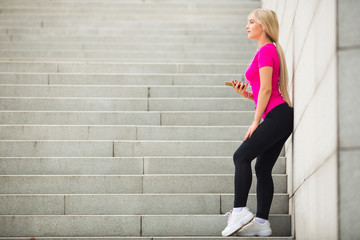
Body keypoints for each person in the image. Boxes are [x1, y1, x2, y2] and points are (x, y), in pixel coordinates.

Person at [221, 9, 294, 237]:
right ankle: (262, 222)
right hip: (280, 115)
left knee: (240, 156)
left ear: (263, 25)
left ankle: (240, 210)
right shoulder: (268, 50)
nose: (247, 26)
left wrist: (255, 122)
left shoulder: (266, 50)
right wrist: (246, 95)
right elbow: (264, 91)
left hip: (278, 115)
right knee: (262, 168)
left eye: (251, 22)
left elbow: (266, 89)